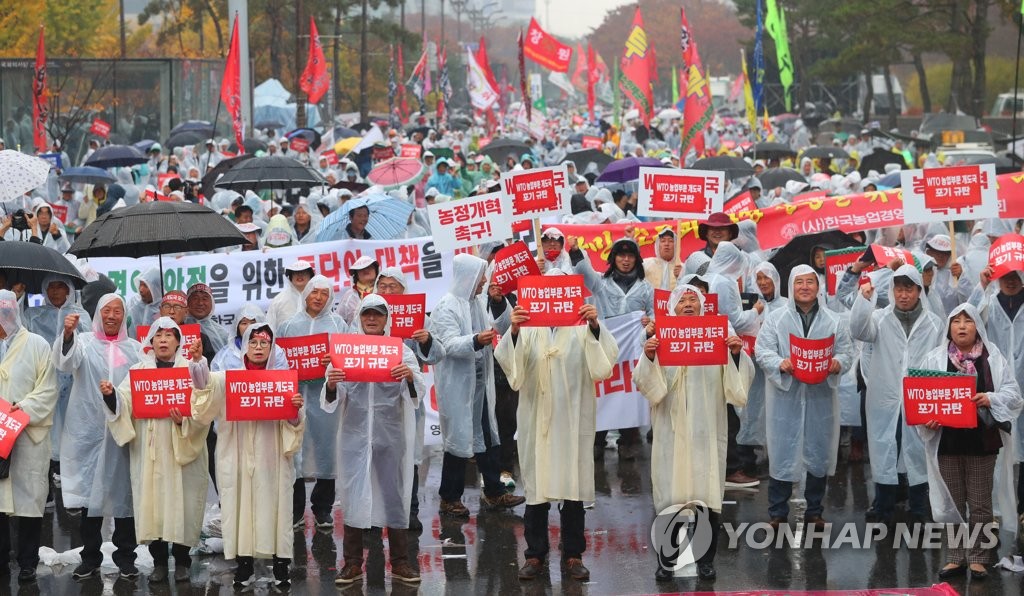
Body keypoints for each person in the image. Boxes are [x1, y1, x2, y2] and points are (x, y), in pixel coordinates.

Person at [495, 286, 619, 582]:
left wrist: (594, 326)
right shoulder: (528, 326)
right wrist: (513, 329)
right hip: (537, 420)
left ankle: (574, 554)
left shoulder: (580, 326)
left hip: (572, 420)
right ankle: (535, 554)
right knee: (537, 489)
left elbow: (604, 364)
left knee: (572, 488)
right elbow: (512, 367)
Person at [635, 284, 753, 582]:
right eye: (682, 300)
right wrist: (650, 357)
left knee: (705, 495)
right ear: (672, 307)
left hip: (705, 429)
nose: (688, 304)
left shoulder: (717, 334)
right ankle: (667, 560)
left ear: (702, 306)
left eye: (693, 300)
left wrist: (736, 354)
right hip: (671, 431)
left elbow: (735, 387)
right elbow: (647, 384)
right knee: (670, 496)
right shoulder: (660, 336)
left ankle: (705, 560)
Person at [191, 322, 305, 588]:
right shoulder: (228, 378)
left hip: (272, 457)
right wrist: (198, 363)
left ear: (271, 347)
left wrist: (294, 410)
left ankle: (281, 567)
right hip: (237, 456)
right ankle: (244, 566)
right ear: (244, 345)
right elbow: (205, 388)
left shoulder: (282, 381)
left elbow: (295, 422)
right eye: (252, 342)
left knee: (277, 510)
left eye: (264, 343)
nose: (258, 348)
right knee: (239, 510)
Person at [324, 295, 425, 585]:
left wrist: (408, 377)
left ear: (386, 318)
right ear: (359, 317)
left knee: (394, 496)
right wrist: (331, 383)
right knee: (353, 496)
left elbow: (416, 393)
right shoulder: (347, 350)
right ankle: (353, 563)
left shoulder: (401, 351)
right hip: (354, 438)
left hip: (389, 437)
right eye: (367, 314)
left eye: (377, 315)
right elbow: (334, 397)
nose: (371, 319)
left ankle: (401, 562)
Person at [916, 304, 1022, 580]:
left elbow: (1013, 393)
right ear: (949, 327)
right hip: (947, 443)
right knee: (952, 501)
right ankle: (955, 556)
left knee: (979, 503)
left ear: (978, 326)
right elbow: (920, 399)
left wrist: (990, 398)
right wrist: (927, 419)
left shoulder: (992, 358)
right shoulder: (934, 359)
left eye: (968, 321)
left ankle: (977, 557)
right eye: (956, 321)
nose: (962, 326)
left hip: (981, 442)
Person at [102, 318, 210, 584]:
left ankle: (183, 561)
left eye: (169, 335)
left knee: (183, 503)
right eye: (158, 335)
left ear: (178, 341)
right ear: (150, 341)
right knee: (154, 505)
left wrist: (184, 420)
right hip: (149, 451)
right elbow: (124, 402)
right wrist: (111, 395)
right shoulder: (138, 372)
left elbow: (206, 402)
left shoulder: (190, 370)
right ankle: (160, 562)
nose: (163, 340)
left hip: (183, 446)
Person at [754, 265, 854, 528]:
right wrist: (780, 363)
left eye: (810, 282)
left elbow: (847, 351)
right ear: (791, 287)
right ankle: (777, 511)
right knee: (782, 451)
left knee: (818, 452)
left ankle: (815, 511)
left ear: (818, 287)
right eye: (799, 282)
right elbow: (762, 350)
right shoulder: (776, 319)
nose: (805, 287)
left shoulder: (834, 320)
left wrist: (838, 363)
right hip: (785, 398)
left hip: (820, 396)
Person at [850, 263, 945, 525]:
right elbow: (857, 330)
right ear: (892, 291)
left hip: (919, 398)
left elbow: (940, 361)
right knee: (884, 451)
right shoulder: (879, 318)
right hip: (884, 397)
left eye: (909, 289)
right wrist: (864, 299)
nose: (904, 295)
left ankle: (918, 510)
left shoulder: (934, 323)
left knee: (918, 452)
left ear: (918, 291)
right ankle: (884, 510)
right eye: (899, 289)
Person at [431, 254, 524, 517]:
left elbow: (504, 327)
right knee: (458, 442)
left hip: (482, 386)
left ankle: (494, 492)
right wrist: (475, 340)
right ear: (468, 277)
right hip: (459, 387)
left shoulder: (477, 302)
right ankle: (449, 497)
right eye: (481, 275)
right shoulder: (446, 307)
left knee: (487, 437)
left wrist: (497, 302)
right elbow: (446, 345)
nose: (485, 280)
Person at [55, 294, 140, 580]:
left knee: (124, 493)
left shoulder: (136, 350)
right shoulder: (85, 343)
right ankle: (90, 556)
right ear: (98, 315)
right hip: (89, 431)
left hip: (123, 432)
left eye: (118, 311)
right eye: (107, 311)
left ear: (124, 315)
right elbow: (65, 363)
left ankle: (126, 557)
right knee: (90, 497)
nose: (112, 316)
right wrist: (67, 334)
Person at [374, 267, 446, 531]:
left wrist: (425, 340)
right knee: (377, 454)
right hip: (373, 398)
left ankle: (411, 510)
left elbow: (437, 354)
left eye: (394, 286)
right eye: (383, 286)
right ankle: (376, 512)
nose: (388, 291)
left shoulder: (417, 317)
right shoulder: (367, 314)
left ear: (404, 290)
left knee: (410, 454)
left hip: (406, 396)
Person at [568, 235, 652, 459]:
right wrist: (576, 252)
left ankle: (629, 441)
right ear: (613, 259)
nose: (626, 260)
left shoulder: (646, 288)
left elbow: (654, 314)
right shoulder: (601, 283)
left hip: (632, 351)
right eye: (621, 256)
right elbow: (584, 274)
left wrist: (649, 322)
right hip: (603, 347)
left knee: (629, 392)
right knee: (602, 392)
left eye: (630, 256)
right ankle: (597, 441)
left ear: (637, 260)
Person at [277, 275, 347, 529]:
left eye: (324, 294)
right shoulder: (287, 326)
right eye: (314, 292)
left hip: (326, 399)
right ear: (305, 293)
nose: (318, 298)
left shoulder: (338, 325)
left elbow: (347, 359)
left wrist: (334, 362)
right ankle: (296, 510)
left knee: (326, 450)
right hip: (295, 399)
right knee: (294, 452)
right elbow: (278, 361)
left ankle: (322, 508)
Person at [967, 266, 1024, 528]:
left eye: (1017, 276)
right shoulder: (989, 303)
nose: (1011, 282)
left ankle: (1021, 510)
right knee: (996, 448)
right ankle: (991, 513)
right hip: (995, 385)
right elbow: (968, 319)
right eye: (1006, 277)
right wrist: (982, 286)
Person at [736, 262, 788, 476]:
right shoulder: (749, 305)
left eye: (767, 277)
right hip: (755, 370)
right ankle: (749, 460)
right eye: (759, 278)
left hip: (778, 369)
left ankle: (776, 460)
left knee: (777, 413)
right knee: (752, 411)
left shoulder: (786, 304)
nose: (763, 282)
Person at [267, 260, 315, 329]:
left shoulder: (317, 298)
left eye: (304, 272)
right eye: (296, 273)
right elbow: (270, 326)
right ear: (290, 277)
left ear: (310, 276)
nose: (300, 275)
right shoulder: (278, 300)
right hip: (285, 339)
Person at [186, 283, 229, 353]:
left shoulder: (222, 334)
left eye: (205, 298)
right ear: (187, 302)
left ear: (212, 303)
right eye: (195, 298)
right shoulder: (177, 328)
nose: (200, 303)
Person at [338, 256, 379, 326]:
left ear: (376, 271)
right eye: (362, 268)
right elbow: (339, 321)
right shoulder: (349, 296)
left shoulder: (383, 291)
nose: (366, 270)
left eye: (370, 267)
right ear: (356, 274)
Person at [127, 267, 163, 335]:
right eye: (140, 284)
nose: (141, 289)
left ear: (156, 288)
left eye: (145, 286)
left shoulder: (166, 305)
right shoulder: (133, 303)